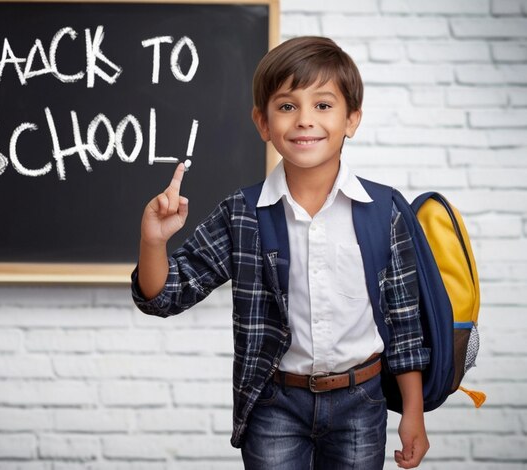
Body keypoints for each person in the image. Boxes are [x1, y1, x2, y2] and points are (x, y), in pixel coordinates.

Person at [132, 36, 430, 469]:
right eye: (287, 106)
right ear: (263, 123)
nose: (305, 120)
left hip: (362, 401)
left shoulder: (384, 211)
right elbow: (165, 295)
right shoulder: (242, 213)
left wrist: (413, 415)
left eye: (323, 105)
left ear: (352, 119)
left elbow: (405, 324)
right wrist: (154, 240)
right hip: (274, 403)